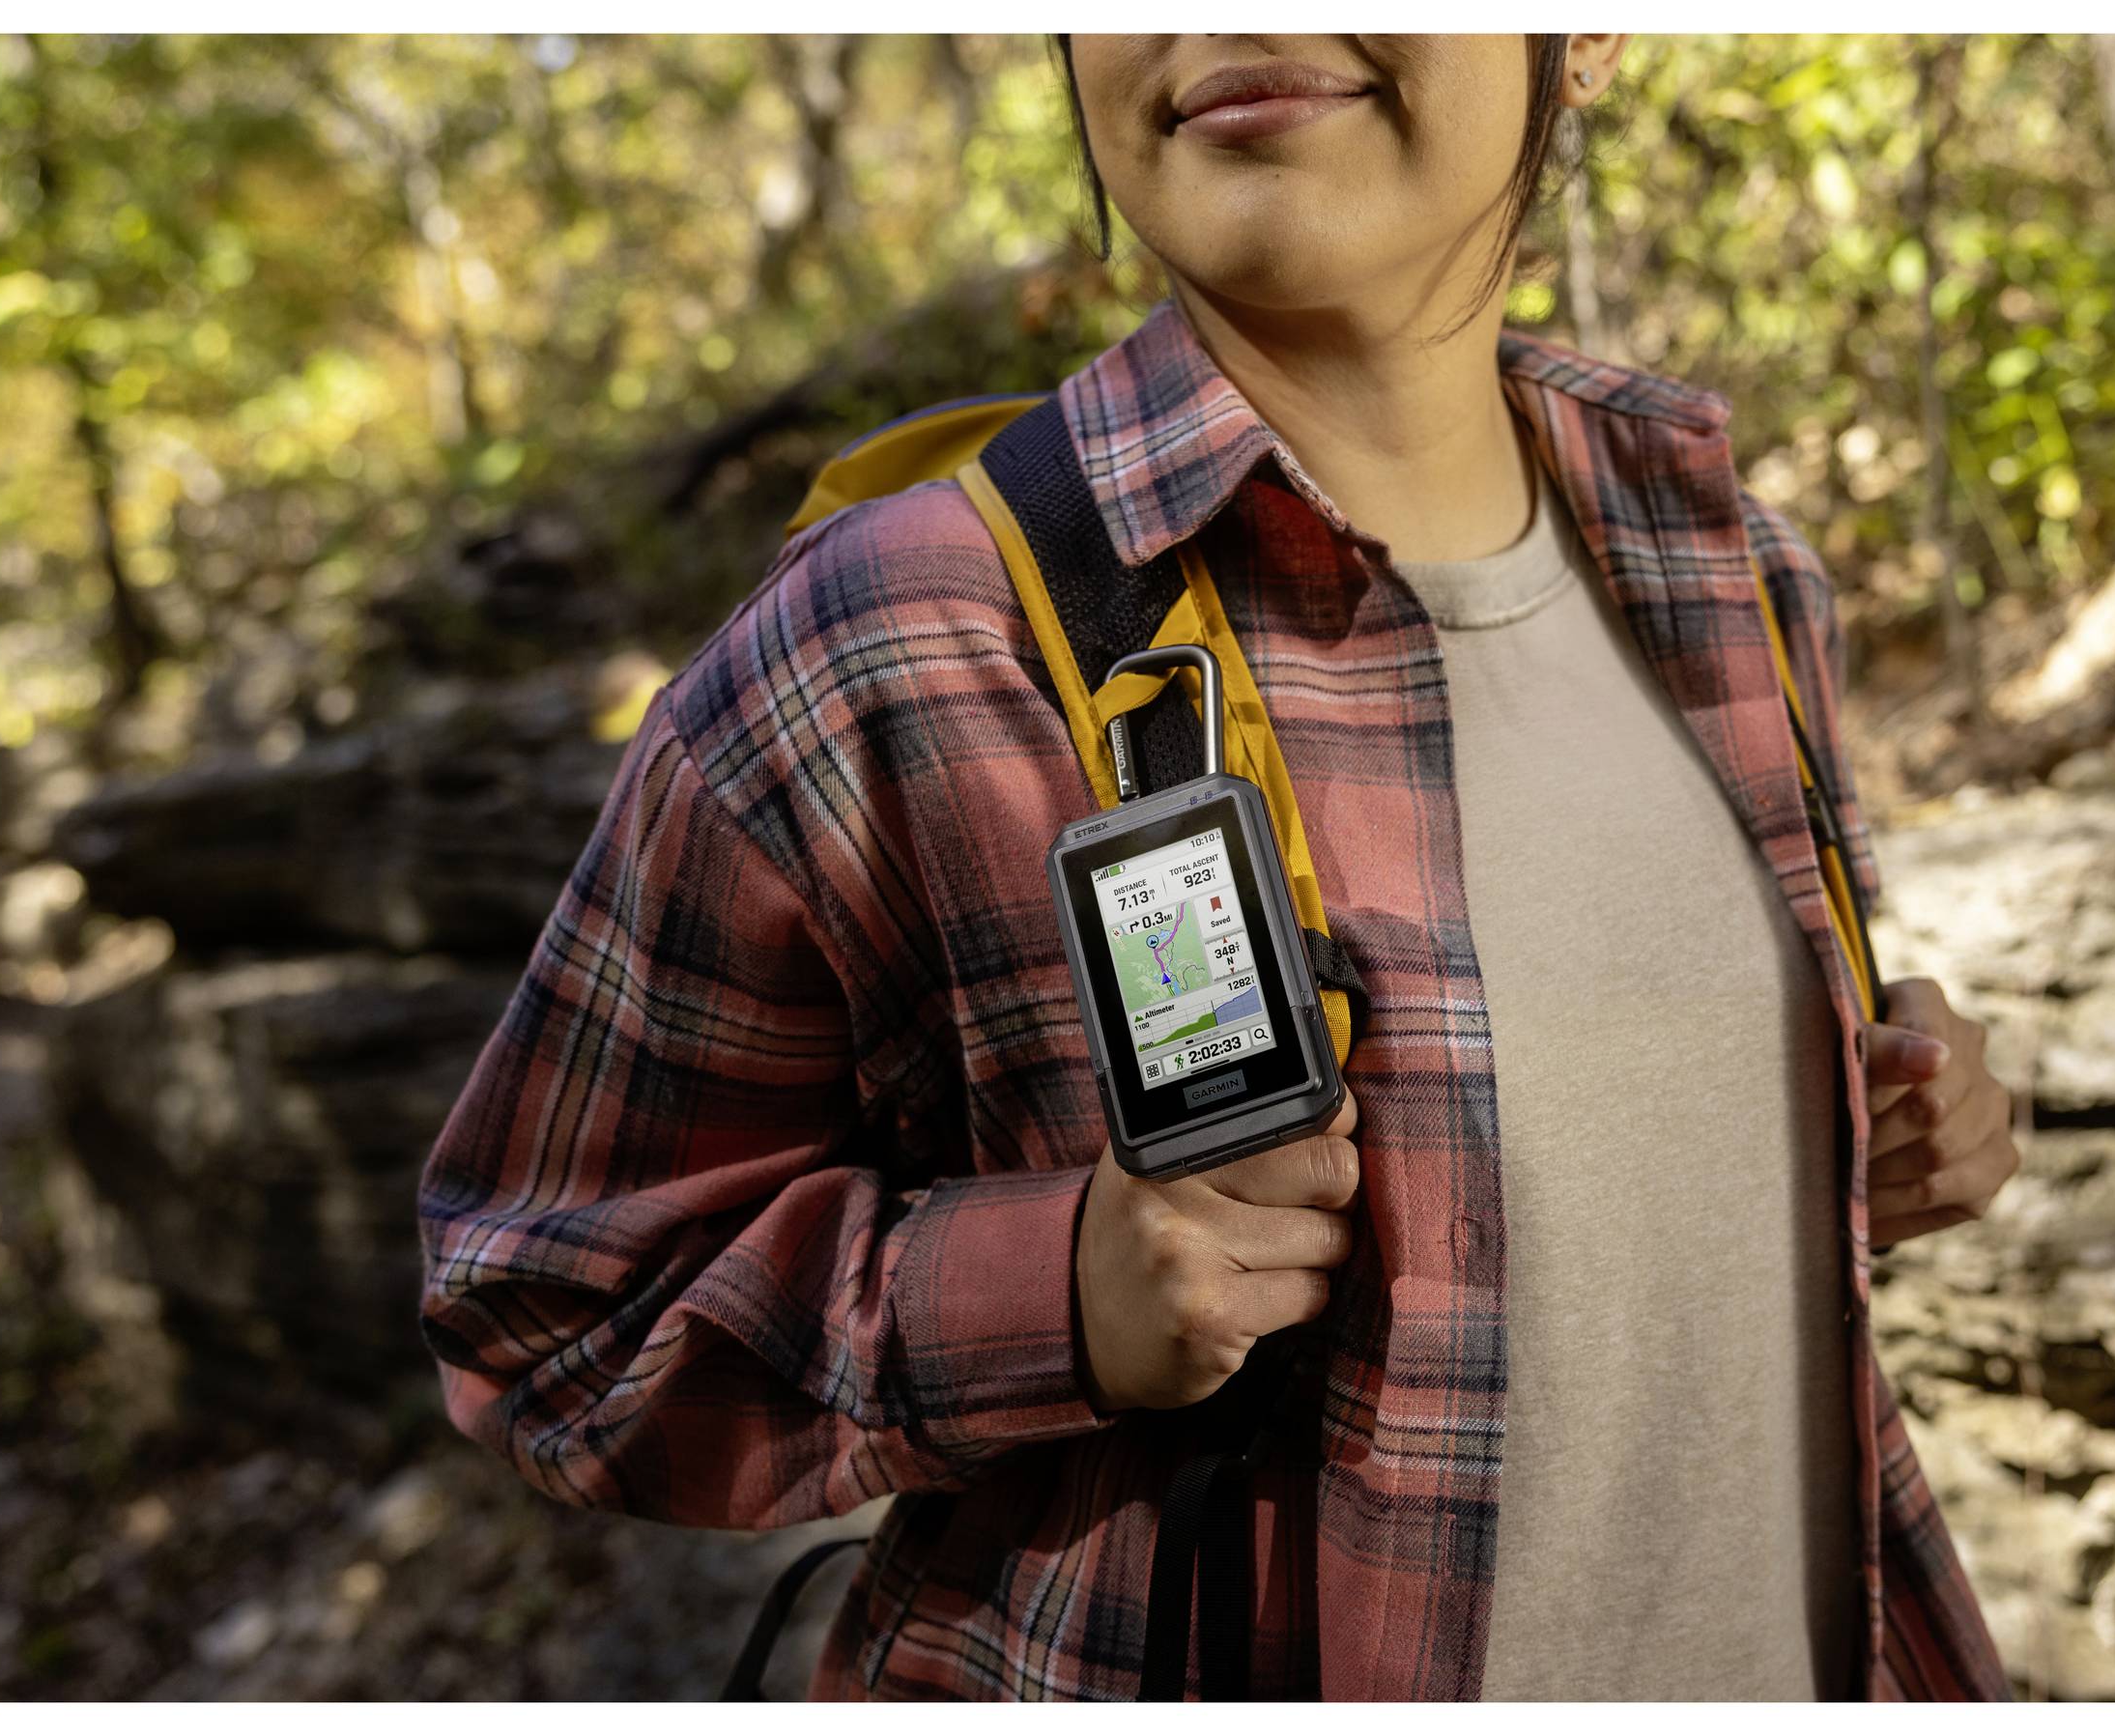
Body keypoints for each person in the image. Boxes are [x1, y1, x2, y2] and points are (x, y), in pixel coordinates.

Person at [417, 32, 2017, 1701]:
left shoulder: (1734, 573)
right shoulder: (894, 641)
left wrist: (1875, 1123)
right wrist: (1056, 1296)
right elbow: (546, 1319)